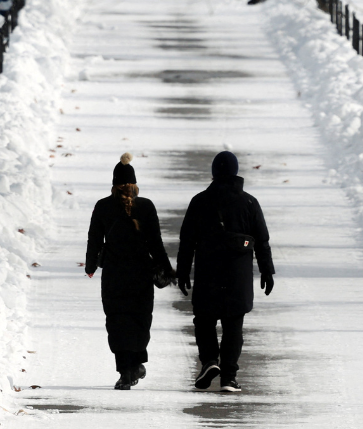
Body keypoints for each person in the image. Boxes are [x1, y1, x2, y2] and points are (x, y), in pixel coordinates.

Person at [176, 151, 274, 392]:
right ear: (236, 172)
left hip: (208, 270)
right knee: (233, 324)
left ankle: (210, 360)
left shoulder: (200, 201)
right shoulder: (249, 202)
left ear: (214, 173)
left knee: (204, 319)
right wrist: (266, 271)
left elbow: (187, 240)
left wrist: (182, 271)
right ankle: (229, 377)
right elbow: (261, 240)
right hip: (238, 274)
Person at [85, 153, 174, 389]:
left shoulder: (103, 206)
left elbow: (94, 239)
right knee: (139, 318)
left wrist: (91, 265)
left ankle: (125, 370)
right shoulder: (146, 206)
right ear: (134, 184)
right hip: (141, 273)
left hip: (114, 274)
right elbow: (155, 242)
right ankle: (137, 362)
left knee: (117, 320)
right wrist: (167, 268)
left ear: (114, 184)